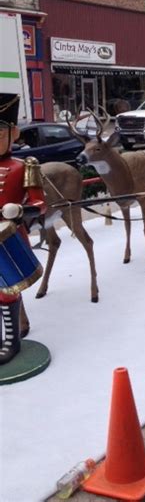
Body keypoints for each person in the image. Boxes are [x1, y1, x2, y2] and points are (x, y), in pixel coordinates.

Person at [0, 92, 46, 364]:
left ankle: (11, 340)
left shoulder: (23, 166)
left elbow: (41, 204)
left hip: (9, 238)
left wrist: (20, 211)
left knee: (6, 291)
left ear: (13, 133)